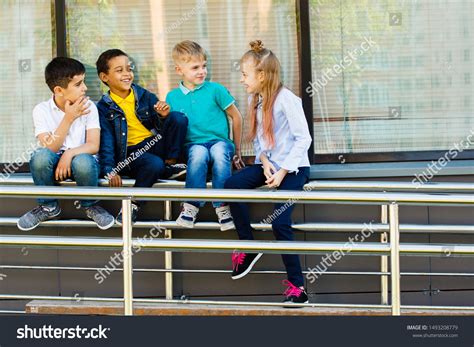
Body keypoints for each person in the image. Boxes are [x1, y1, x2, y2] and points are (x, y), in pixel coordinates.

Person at [224, 40, 312, 304]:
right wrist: (263, 161)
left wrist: (283, 171)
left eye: (244, 74)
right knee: (231, 186)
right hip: (271, 164)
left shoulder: (287, 100)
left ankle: (299, 289)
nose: (241, 80)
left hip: (294, 168)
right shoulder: (256, 99)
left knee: (279, 222)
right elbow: (261, 142)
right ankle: (249, 247)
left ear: (261, 75)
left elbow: (303, 139)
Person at [17, 57, 114, 231]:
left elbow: (93, 145)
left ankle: (90, 205)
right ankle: (48, 206)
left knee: (83, 161)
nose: (84, 87)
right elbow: (50, 148)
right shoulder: (41, 110)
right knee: (40, 156)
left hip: (82, 163)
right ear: (59, 90)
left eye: (83, 82)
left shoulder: (90, 107)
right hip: (54, 164)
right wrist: (68, 118)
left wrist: (69, 154)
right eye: (78, 84)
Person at [96, 49, 188, 224]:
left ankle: (171, 163)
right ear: (104, 77)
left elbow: (159, 125)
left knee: (178, 118)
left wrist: (162, 115)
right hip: (131, 154)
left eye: (129, 69)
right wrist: (109, 170)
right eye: (119, 70)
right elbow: (106, 141)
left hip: (153, 144)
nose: (127, 74)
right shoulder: (103, 108)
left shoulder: (143, 95)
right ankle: (134, 204)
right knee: (154, 164)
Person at [166, 41, 244, 231]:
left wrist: (237, 150)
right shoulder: (172, 97)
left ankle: (222, 206)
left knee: (218, 153)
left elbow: (236, 117)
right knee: (199, 155)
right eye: (195, 67)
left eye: (204, 66)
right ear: (179, 70)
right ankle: (191, 206)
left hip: (220, 142)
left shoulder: (215, 89)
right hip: (194, 145)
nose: (202, 71)